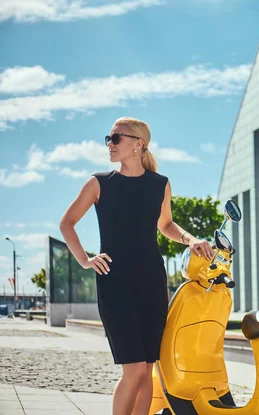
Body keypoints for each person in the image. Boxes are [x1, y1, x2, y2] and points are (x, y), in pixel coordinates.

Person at [59, 117, 213, 415]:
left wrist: (190, 240)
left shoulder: (160, 184)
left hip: (151, 285)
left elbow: (165, 224)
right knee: (134, 372)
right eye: (109, 138)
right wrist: (85, 260)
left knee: (147, 369)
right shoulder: (99, 183)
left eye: (116, 138)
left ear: (138, 143)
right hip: (115, 285)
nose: (109, 144)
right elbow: (67, 223)